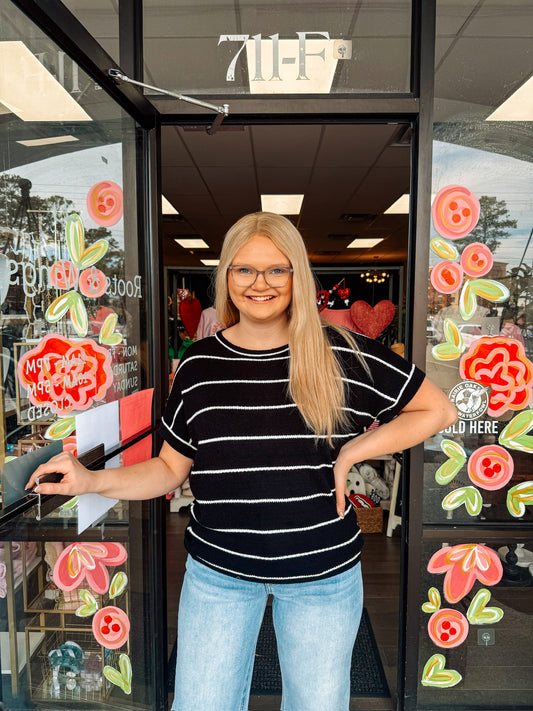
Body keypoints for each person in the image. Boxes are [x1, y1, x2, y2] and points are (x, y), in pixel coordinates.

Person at [27, 212, 457, 711]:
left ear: (297, 275)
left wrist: (354, 450)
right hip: (219, 574)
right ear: (226, 278)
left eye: (277, 270)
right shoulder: (198, 363)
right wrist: (90, 480)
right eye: (244, 270)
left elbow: (437, 408)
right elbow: (169, 469)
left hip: (322, 575)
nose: (261, 284)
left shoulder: (340, 352)